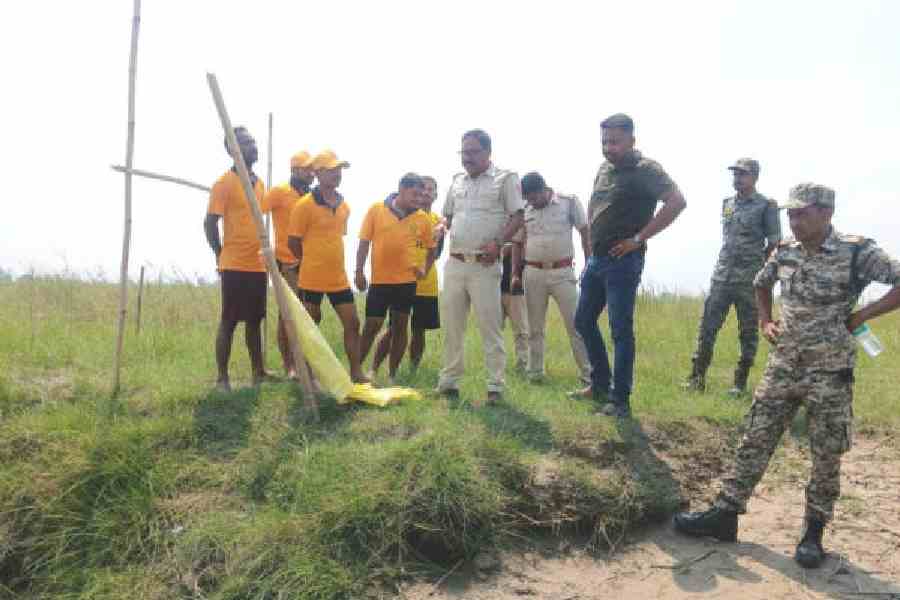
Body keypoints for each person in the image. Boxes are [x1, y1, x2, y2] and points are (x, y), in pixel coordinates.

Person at [673, 183, 900, 569]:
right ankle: (726, 514)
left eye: (803, 214)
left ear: (826, 213)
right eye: (791, 215)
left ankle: (813, 531)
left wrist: (863, 315)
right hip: (784, 365)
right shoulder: (785, 251)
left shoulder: (856, 250)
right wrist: (765, 321)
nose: (794, 222)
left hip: (830, 372)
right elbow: (761, 284)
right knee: (755, 436)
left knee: (826, 453)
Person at [573, 113, 686, 418]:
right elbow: (595, 208)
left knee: (620, 329)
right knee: (582, 320)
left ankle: (619, 399)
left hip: (623, 259)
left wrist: (639, 238)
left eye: (615, 142)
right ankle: (598, 384)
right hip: (597, 259)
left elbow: (676, 202)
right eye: (604, 142)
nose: (609, 148)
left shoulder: (646, 170)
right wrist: (588, 256)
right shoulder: (604, 169)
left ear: (632, 141)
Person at [436, 129, 525, 405]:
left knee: (490, 327)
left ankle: (495, 387)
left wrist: (498, 243)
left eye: (473, 152)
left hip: (485, 267)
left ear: (488, 152)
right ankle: (448, 382)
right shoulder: (456, 181)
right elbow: (447, 215)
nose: (467, 158)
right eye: (464, 152)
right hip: (455, 263)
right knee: (452, 326)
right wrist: (441, 227)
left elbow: (518, 215)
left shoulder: (505, 179)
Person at [683, 158, 781, 395]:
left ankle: (739, 383)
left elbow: (775, 242)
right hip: (722, 276)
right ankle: (696, 378)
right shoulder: (728, 203)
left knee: (747, 332)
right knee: (707, 328)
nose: (737, 178)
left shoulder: (766, 205)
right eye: (735, 174)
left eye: (743, 174)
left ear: (754, 177)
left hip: (749, 279)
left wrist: (762, 268)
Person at [287, 150, 368, 383]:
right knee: (310, 328)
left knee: (352, 323)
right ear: (318, 173)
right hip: (311, 278)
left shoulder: (344, 207)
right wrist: (308, 262)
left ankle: (356, 372)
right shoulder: (304, 205)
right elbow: (293, 242)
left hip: (338, 278)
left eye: (339, 170)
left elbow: (336, 238)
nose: (337, 174)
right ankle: (309, 375)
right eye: (332, 170)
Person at [203, 126, 270, 392]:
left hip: (257, 263)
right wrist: (220, 253)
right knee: (229, 320)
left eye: (254, 142)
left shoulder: (259, 183)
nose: (254, 147)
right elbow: (209, 223)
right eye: (246, 143)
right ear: (232, 150)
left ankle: (258, 373)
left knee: (255, 320)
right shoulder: (224, 183)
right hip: (234, 263)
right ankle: (222, 378)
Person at [355, 173, 437, 383]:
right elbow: (364, 243)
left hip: (406, 283)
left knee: (400, 327)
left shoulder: (423, 219)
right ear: (401, 188)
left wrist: (424, 269)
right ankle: (355, 373)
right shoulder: (376, 210)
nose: (419, 199)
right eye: (415, 194)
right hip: (379, 282)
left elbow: (431, 250)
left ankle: (392, 376)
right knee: (371, 326)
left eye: (422, 195)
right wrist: (358, 271)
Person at [518, 172, 591, 385]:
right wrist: (516, 273)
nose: (532, 202)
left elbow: (585, 232)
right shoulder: (524, 209)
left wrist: (589, 264)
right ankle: (535, 373)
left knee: (576, 324)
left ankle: (589, 374)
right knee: (534, 327)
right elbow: (518, 241)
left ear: (543, 190)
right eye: (528, 199)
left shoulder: (568, 202)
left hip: (562, 272)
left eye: (534, 198)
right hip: (533, 273)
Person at [261, 150, 316, 379]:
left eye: (313, 169)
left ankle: (307, 363)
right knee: (288, 314)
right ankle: (289, 366)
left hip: (311, 262)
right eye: (307, 169)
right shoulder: (279, 192)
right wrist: (266, 250)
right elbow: (255, 212)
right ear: (294, 170)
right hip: (286, 261)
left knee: (309, 314)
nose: (311, 173)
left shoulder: (314, 197)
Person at [500, 232, 529, 373]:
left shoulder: (525, 227)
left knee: (521, 331)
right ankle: (497, 364)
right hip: (495, 288)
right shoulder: (500, 223)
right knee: (495, 329)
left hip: (516, 289)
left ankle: (522, 366)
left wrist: (512, 247)